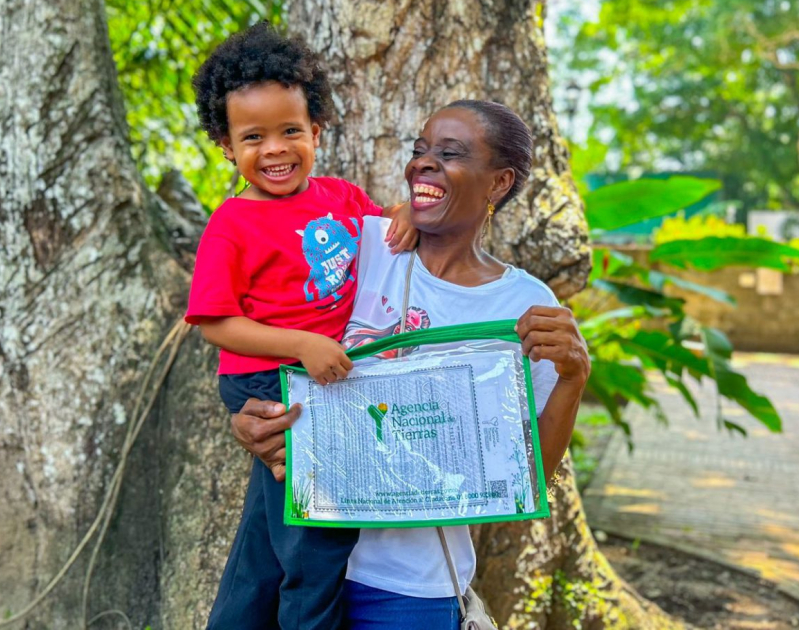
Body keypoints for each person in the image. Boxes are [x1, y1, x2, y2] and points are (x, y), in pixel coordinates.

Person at [230, 99, 591, 629]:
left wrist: (572, 380)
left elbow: (531, 475)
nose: (423, 162)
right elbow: (264, 342)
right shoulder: (356, 248)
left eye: (450, 153)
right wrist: (251, 421)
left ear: (498, 183)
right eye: (420, 150)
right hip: (295, 564)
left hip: (408, 588)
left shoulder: (523, 305)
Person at [185, 22, 417, 630]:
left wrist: (404, 215)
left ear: (315, 130)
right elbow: (215, 323)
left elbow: (384, 235)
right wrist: (303, 344)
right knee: (317, 542)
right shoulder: (232, 224)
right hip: (271, 380)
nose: (275, 149)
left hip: (320, 376)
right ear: (227, 146)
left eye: (290, 130)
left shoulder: (342, 197)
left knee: (267, 542)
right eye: (253, 137)